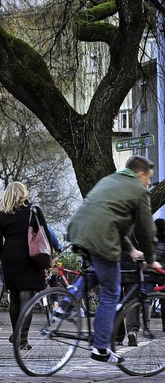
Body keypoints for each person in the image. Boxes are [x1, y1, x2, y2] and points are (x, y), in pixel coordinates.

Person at [66, 155, 162, 364]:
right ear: (139, 174)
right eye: (148, 178)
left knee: (95, 273)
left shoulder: (109, 181)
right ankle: (101, 348)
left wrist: (131, 250)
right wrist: (151, 259)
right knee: (111, 291)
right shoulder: (137, 191)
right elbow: (146, 230)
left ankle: (65, 302)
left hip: (78, 231)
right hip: (101, 239)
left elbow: (113, 223)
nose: (148, 183)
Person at [0, 181, 49, 351]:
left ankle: (16, 334)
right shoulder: (33, 211)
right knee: (27, 298)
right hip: (30, 258)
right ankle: (22, 338)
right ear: (24, 193)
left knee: (14, 297)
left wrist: (3, 255)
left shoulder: (2, 215)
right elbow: (43, 234)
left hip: (10, 258)